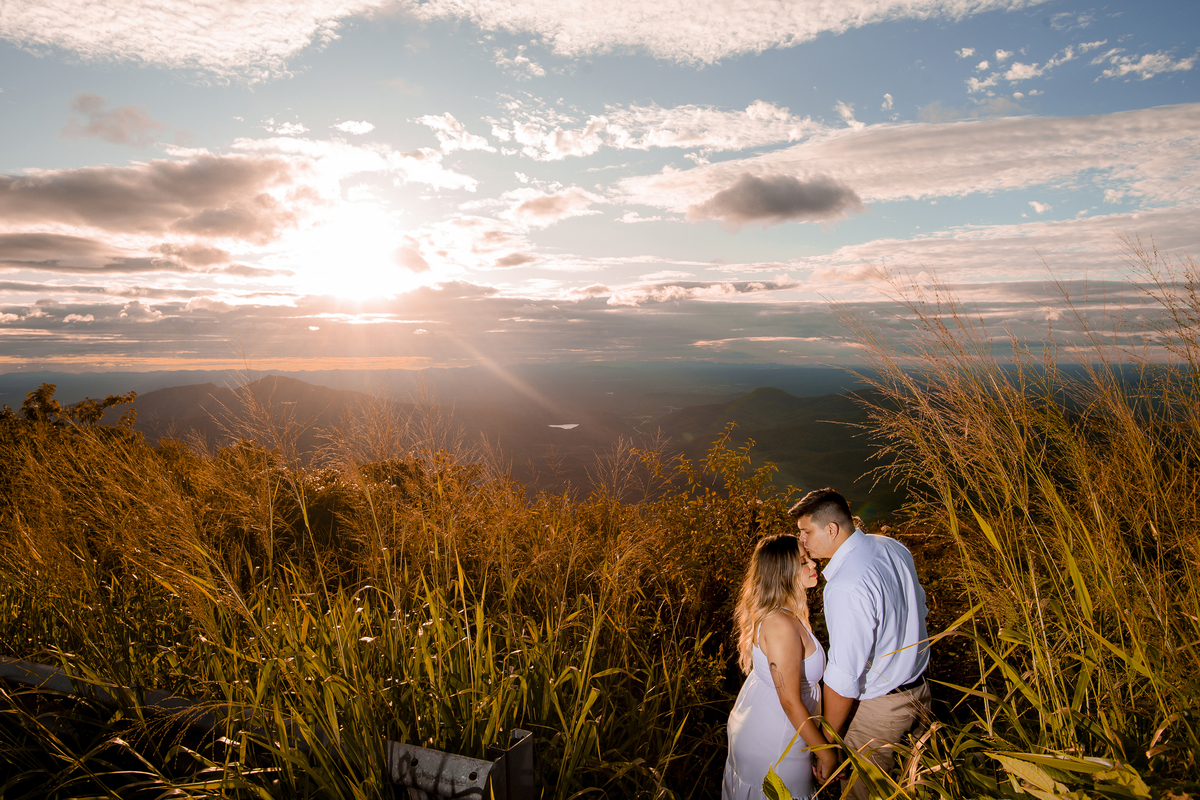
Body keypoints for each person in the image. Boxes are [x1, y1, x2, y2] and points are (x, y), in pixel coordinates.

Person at [790, 488, 931, 800]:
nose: (802, 540)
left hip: (879, 712)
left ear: (831, 529)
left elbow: (844, 678)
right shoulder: (892, 547)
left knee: (862, 793)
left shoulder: (845, 586)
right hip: (921, 694)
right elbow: (920, 609)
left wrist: (826, 745)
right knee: (917, 789)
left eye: (806, 531)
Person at [723, 534, 837, 800]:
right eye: (803, 561)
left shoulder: (783, 612)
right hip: (776, 741)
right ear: (783, 573)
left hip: (771, 725)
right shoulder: (780, 624)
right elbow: (789, 701)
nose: (813, 564)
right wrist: (826, 753)